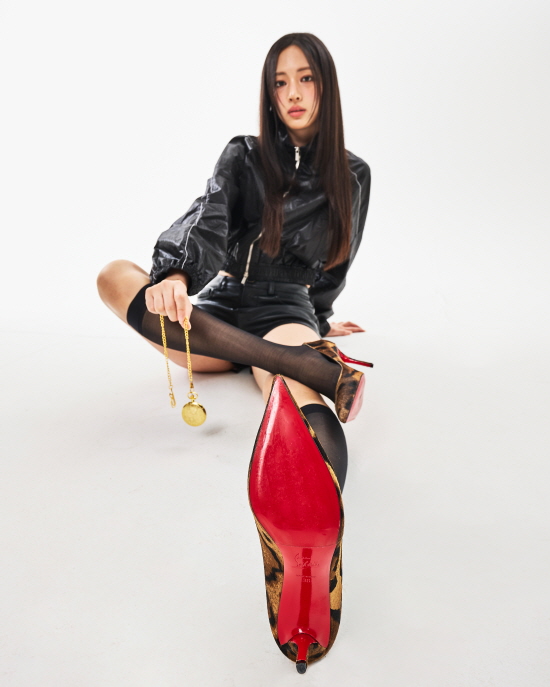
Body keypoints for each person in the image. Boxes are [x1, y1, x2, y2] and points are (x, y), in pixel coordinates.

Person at [97, 32, 372, 673]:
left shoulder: (353, 174)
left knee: (297, 400)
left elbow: (337, 261)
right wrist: (176, 274)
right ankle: (298, 363)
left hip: (285, 310)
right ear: (269, 93)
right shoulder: (245, 155)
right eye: (281, 81)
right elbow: (210, 218)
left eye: (305, 78)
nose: (293, 93)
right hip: (217, 307)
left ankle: (317, 543)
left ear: (326, 86)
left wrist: (320, 319)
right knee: (114, 275)